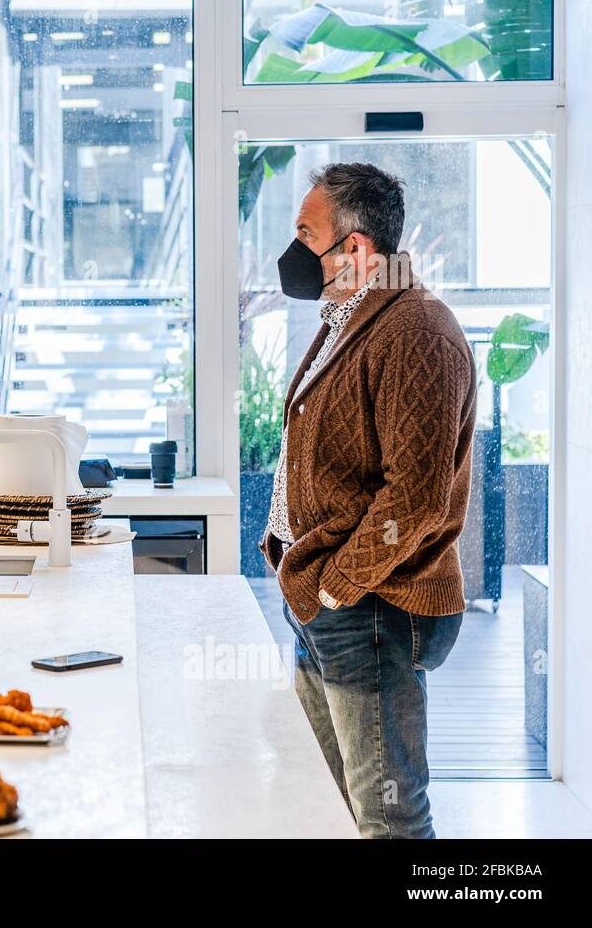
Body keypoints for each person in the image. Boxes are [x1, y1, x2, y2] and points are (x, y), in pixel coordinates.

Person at [262, 162, 477, 838]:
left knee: (388, 817)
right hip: (329, 602)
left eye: (305, 234)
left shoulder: (415, 330)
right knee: (331, 804)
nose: (293, 252)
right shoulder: (351, 318)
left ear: (354, 250)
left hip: (369, 608)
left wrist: (334, 588)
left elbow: (411, 499)